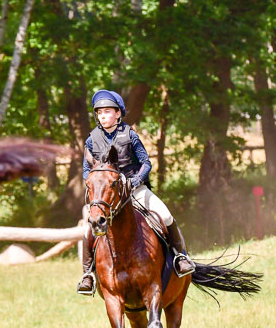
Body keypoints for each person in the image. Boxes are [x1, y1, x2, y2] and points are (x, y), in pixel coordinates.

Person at [77, 89, 195, 294]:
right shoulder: (91, 139)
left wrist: (136, 180)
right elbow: (87, 170)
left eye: (107, 111)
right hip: (106, 196)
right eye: (99, 113)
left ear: (118, 114)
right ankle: (87, 274)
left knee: (165, 214)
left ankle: (180, 257)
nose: (102, 116)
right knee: (89, 229)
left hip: (134, 189)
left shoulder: (129, 134)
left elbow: (146, 163)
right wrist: (95, 184)